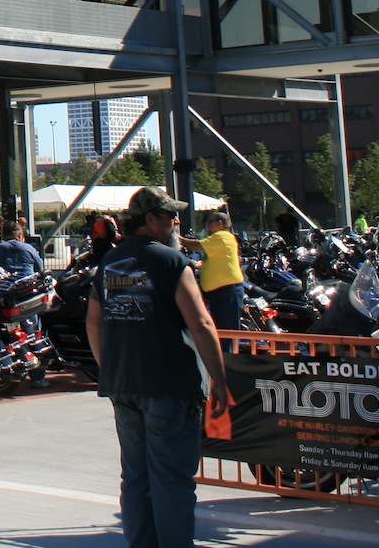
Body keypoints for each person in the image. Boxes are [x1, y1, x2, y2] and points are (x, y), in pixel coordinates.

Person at [86, 186, 230, 548]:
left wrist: (111, 368)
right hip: (169, 384)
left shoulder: (108, 263)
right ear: (150, 220)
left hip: (123, 385)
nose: (177, 221)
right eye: (170, 215)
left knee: (135, 479)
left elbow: (93, 322)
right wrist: (220, 381)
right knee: (171, 481)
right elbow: (200, 323)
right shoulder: (170, 261)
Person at [0, 218, 50, 388]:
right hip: (26, 300)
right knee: (34, 336)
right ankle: (38, 377)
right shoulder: (28, 248)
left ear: (3, 235)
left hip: (1, 300)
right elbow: (40, 270)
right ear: (20, 235)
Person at [183, 211, 245, 331]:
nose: (207, 225)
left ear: (220, 223)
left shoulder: (222, 236)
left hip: (226, 292)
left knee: (226, 333)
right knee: (222, 331)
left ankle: (227, 351)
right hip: (222, 292)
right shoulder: (221, 239)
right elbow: (214, 260)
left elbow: (197, 246)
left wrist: (179, 239)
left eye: (210, 222)